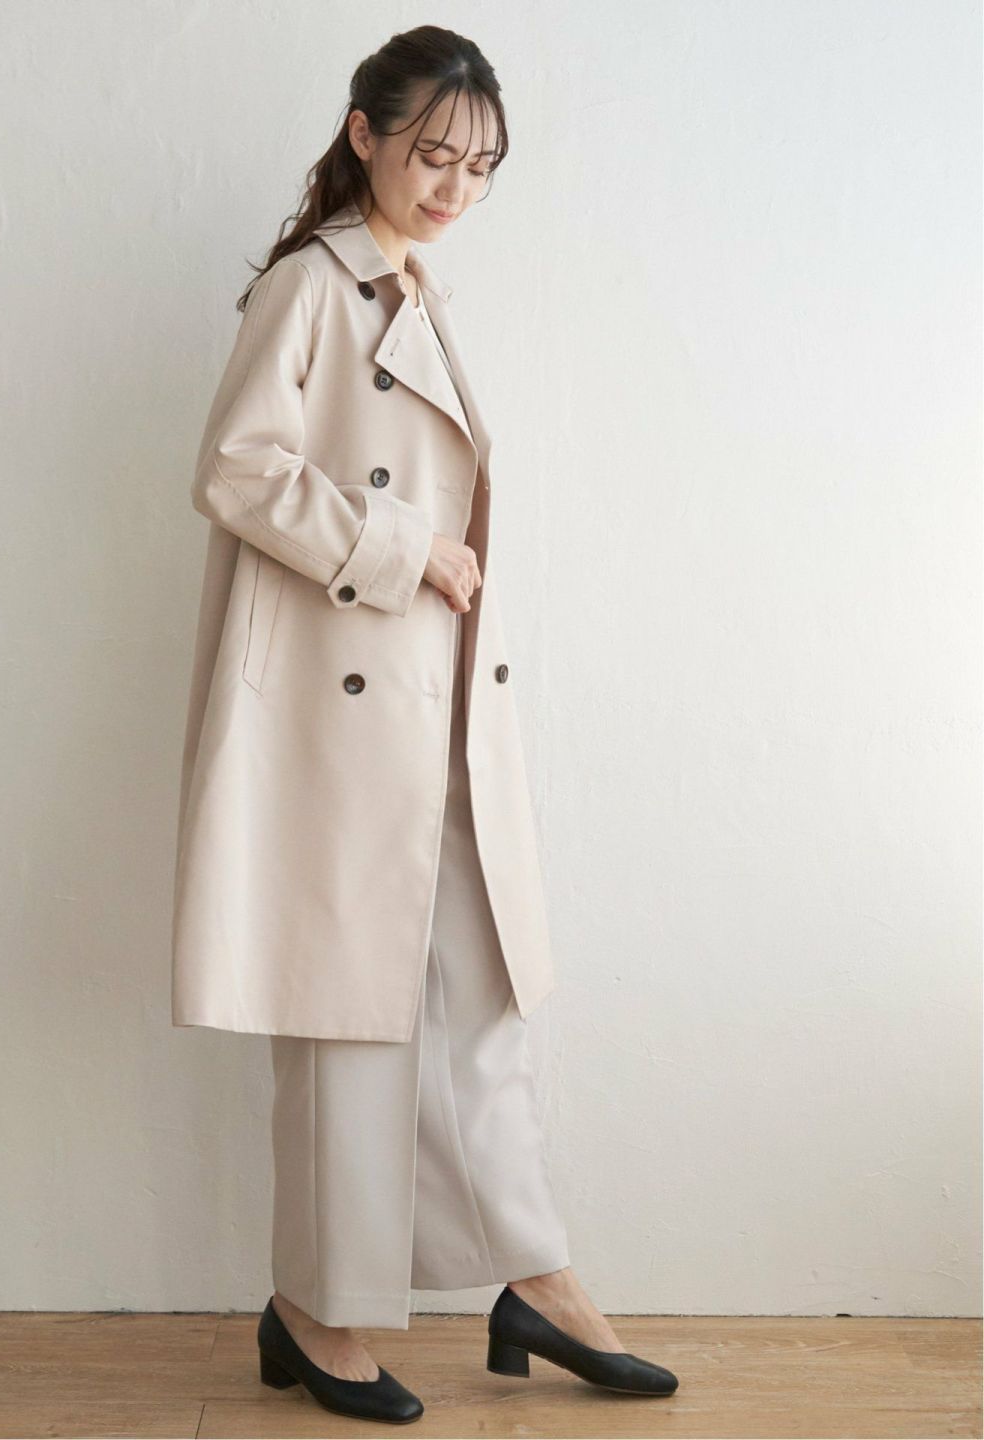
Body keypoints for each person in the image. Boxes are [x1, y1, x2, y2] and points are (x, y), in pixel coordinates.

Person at [172, 23, 680, 1425]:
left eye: (481, 166)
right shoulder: (312, 284)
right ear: (364, 134)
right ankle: (314, 1310)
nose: (456, 186)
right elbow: (236, 469)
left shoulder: (411, 283)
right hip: (340, 707)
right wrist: (405, 552)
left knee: (478, 992)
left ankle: (535, 1274)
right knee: (347, 1010)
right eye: (433, 154)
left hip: (430, 705)